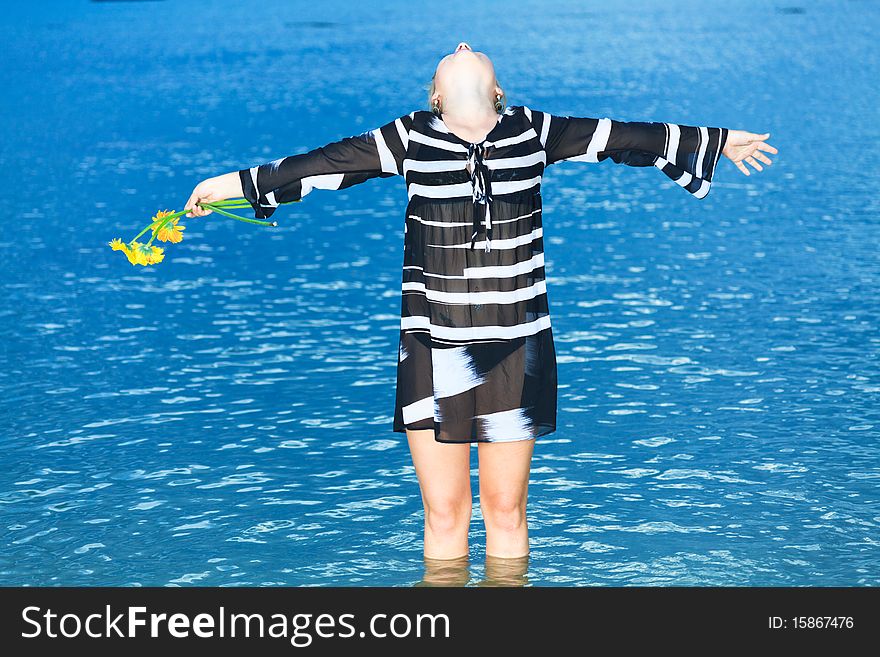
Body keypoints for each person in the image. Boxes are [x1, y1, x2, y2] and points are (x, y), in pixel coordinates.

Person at [184, 41, 777, 562]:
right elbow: (322, 165)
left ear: (497, 90)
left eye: (473, 54)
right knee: (444, 515)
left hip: (515, 345)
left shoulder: (534, 131)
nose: (463, 44)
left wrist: (717, 142)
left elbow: (622, 137)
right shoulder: (409, 136)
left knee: (506, 512)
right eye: (448, 59)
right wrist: (229, 187)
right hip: (431, 343)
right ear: (436, 96)